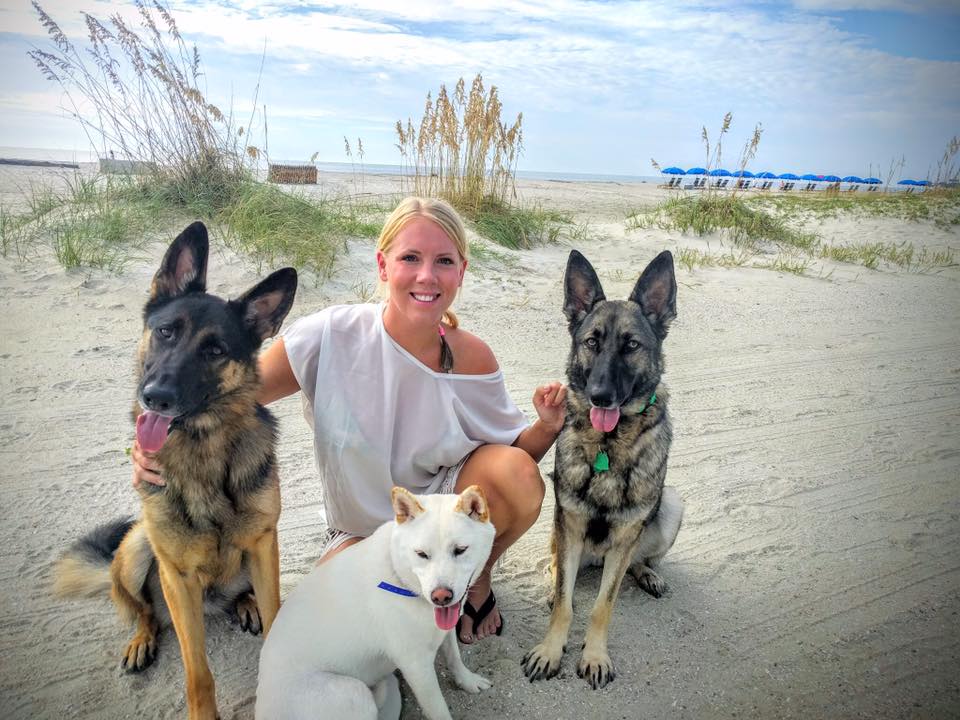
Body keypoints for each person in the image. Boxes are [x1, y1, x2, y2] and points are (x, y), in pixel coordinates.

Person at [132, 196, 566, 644]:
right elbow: (222, 395)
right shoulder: (332, 335)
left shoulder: (473, 356)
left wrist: (548, 426)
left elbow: (515, 459)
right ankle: (412, 589)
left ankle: (474, 578)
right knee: (348, 639)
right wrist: (149, 443)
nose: (426, 276)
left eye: (443, 261)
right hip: (364, 529)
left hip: (444, 511)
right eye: (410, 258)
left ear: (461, 271)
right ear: (382, 265)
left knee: (517, 474)